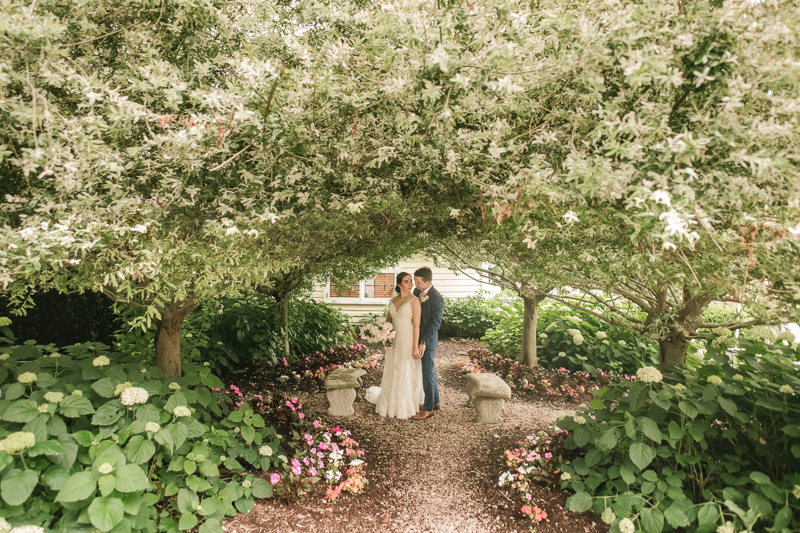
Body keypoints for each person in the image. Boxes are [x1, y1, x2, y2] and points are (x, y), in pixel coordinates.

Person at [374, 272, 425, 419]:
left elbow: (417, 326)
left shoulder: (415, 301)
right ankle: (390, 403)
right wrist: (383, 335)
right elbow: (388, 323)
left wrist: (415, 347)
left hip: (408, 340)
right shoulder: (393, 301)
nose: (410, 284)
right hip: (394, 341)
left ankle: (405, 405)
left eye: (411, 281)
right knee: (393, 368)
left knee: (406, 370)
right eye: (406, 281)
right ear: (399, 284)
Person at [411, 266, 443, 421]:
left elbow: (435, 324)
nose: (415, 285)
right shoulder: (417, 293)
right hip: (417, 337)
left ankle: (429, 409)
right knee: (430, 371)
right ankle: (435, 401)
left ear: (427, 281)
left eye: (417, 282)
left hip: (428, 342)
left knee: (426, 373)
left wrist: (423, 342)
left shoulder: (437, 298)